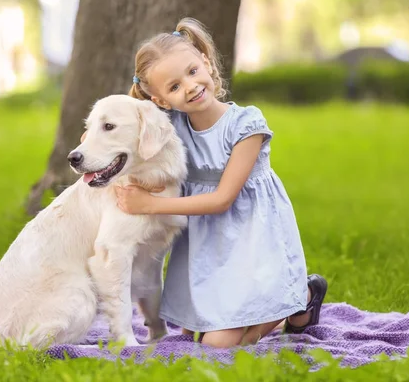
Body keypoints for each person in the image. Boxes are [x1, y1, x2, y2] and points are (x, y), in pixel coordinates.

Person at [115, 17, 328, 348]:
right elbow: (126, 132)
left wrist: (150, 204)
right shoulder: (172, 126)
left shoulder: (247, 124)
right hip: (206, 246)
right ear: (160, 101)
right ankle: (268, 307)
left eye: (191, 71)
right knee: (196, 331)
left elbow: (222, 199)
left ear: (205, 61)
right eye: (173, 87)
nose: (189, 86)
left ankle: (301, 294)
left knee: (215, 344)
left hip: (250, 237)